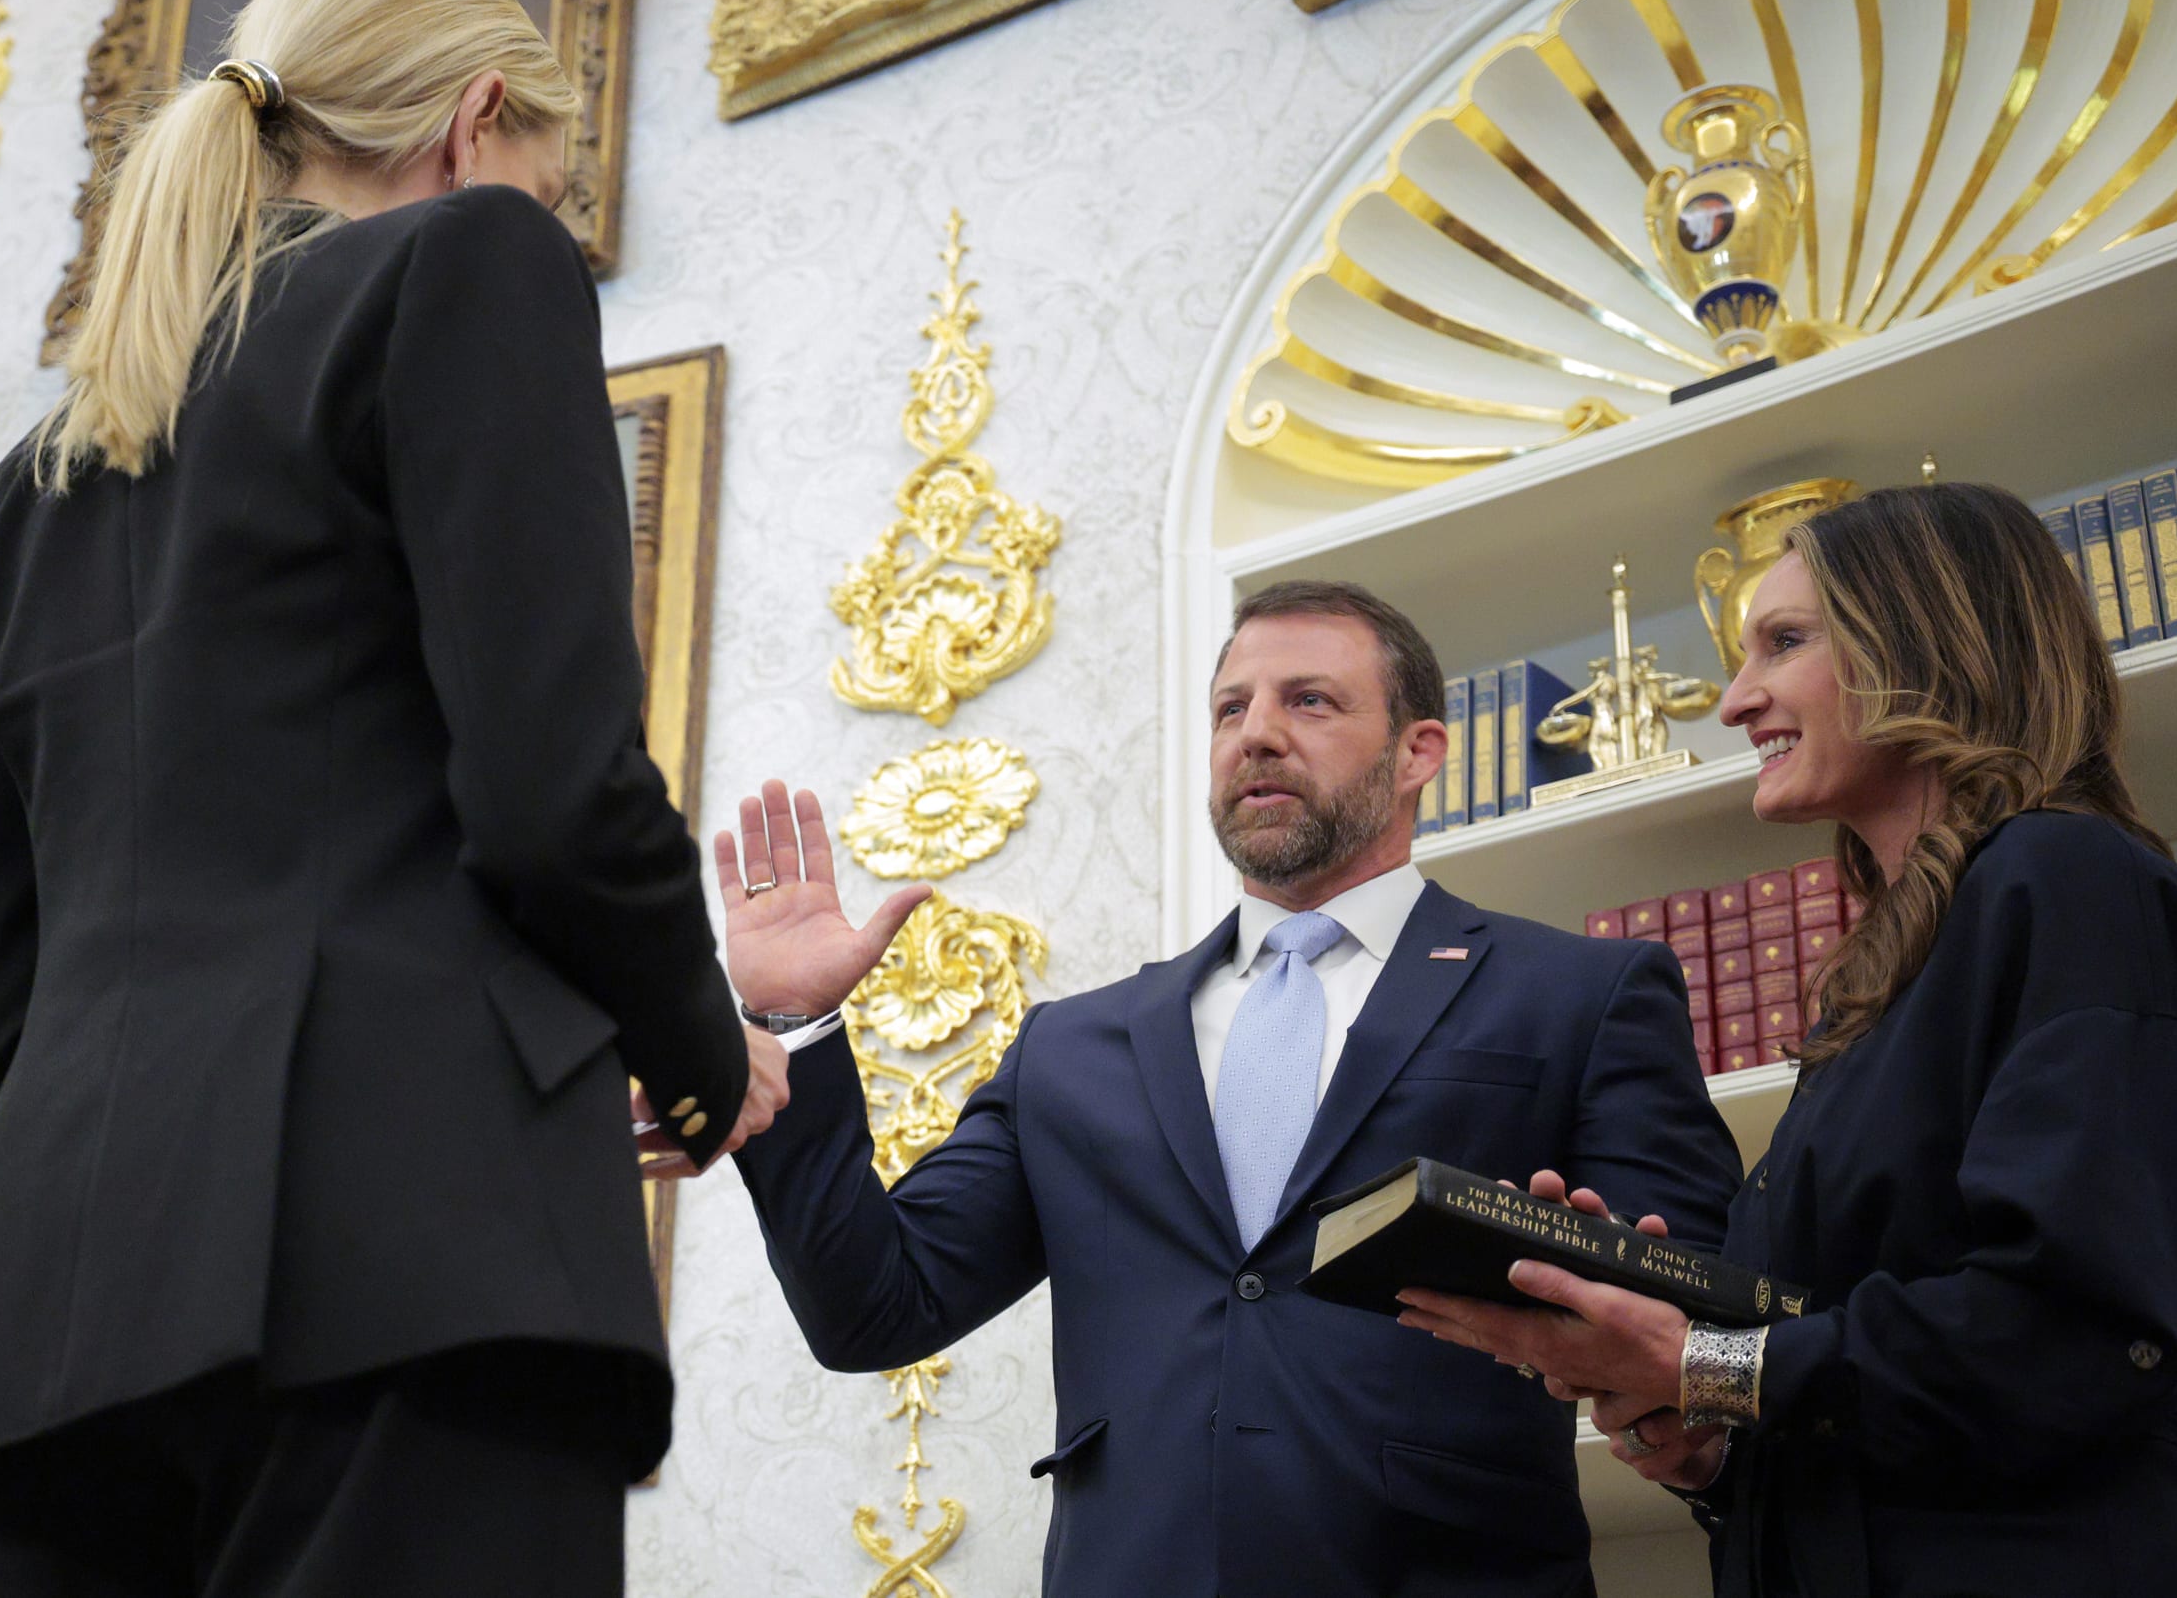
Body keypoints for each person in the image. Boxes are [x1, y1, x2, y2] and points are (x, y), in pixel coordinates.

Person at [0, 0, 794, 1593]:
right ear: (476, 119)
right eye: (544, 165)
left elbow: (7, 1019)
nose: (543, 200)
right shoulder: (474, 260)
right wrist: (703, 1051)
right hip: (410, 1265)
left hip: (63, 1309)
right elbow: (552, 795)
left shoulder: (9, 506)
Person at [678, 580, 1745, 1598]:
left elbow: (1690, 1315)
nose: (1256, 732)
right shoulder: (1071, 1044)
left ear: (1421, 749)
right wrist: (795, 1027)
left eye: (1309, 701)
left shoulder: (1581, 990)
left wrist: (1659, 1393)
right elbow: (873, 1307)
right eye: (1230, 707)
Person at [1396, 483, 2177, 1596]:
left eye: (1782, 643)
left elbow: (2081, 1330)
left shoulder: (2066, 879)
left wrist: (1700, 1358)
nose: (1735, 703)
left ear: (1926, 642)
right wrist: (1702, 1435)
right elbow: (1865, 1401)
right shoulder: (1875, 990)